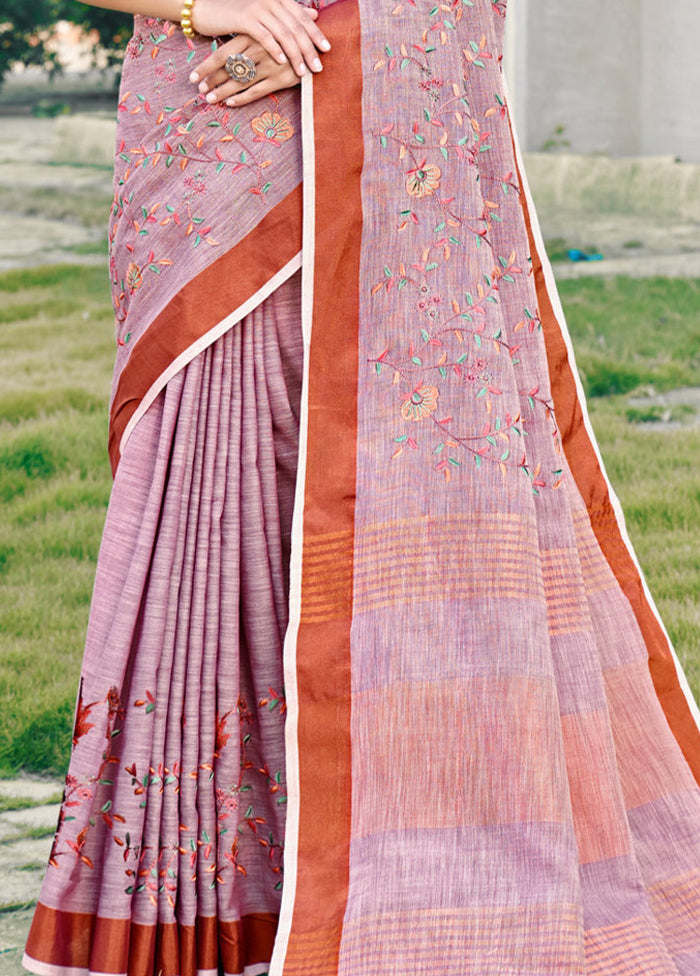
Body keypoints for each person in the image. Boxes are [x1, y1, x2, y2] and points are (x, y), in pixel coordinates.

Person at [23, 1, 700, 975]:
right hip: (215, 157)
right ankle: (226, 922)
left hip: (392, 160)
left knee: (393, 538)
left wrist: (334, 36)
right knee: (220, 534)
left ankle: (414, 900)